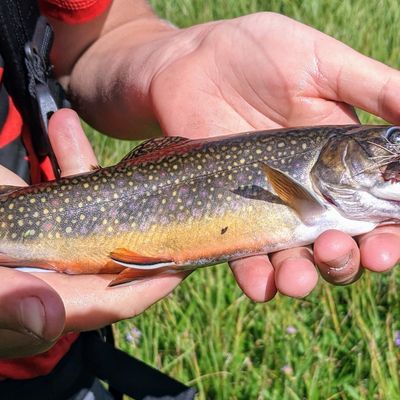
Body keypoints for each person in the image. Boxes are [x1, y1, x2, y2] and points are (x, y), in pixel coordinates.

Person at [0, 0, 399, 398]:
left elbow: (90, 39)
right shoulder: (315, 188)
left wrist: (173, 59)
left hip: (60, 358)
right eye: (392, 140)